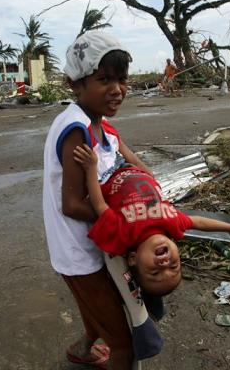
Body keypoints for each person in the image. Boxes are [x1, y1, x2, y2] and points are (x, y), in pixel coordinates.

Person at [42, 30, 150, 370]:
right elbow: (71, 205)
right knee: (123, 343)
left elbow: (139, 166)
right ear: (76, 83)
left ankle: (84, 347)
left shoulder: (102, 126)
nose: (116, 89)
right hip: (78, 251)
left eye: (122, 80)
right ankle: (97, 347)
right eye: (104, 79)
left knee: (96, 305)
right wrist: (130, 224)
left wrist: (149, 197)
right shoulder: (77, 129)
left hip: (94, 242)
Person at [73, 143, 230, 296]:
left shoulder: (123, 234)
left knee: (100, 138)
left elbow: (99, 205)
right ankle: (114, 136)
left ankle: (111, 137)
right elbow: (198, 222)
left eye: (155, 271)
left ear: (133, 259)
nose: (165, 263)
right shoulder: (171, 225)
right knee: (114, 138)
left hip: (108, 171)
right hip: (137, 169)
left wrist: (91, 168)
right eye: (173, 266)